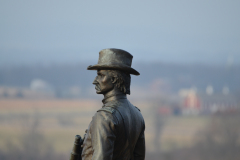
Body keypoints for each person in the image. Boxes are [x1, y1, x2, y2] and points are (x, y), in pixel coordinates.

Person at [81, 48, 145, 160]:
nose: (95, 80)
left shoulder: (104, 117)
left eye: (101, 75)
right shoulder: (138, 115)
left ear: (115, 78)